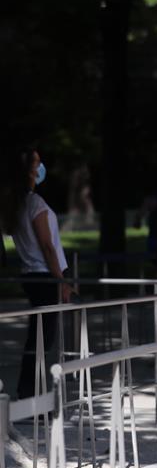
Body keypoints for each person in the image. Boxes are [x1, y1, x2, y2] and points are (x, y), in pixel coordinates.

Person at [0, 149, 74, 400]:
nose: (42, 167)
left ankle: (29, 391)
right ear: (30, 171)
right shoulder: (34, 204)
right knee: (43, 340)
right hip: (44, 277)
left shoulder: (18, 203)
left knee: (38, 338)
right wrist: (61, 280)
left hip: (32, 275)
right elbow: (47, 245)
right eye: (38, 163)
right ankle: (31, 393)